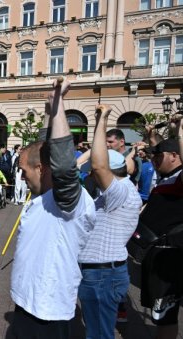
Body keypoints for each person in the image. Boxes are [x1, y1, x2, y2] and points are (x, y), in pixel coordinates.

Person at [10, 80, 95, 338]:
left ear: (41, 170)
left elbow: (62, 163)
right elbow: (43, 150)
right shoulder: (44, 195)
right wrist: (48, 111)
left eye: (23, 171)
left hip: (46, 313)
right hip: (27, 305)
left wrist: (59, 106)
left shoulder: (68, 201)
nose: (21, 176)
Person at [77, 104, 142, 339]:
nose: (92, 176)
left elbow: (98, 164)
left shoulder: (118, 192)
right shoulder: (122, 189)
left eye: (95, 174)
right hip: (103, 272)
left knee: (99, 334)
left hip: (102, 275)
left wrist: (102, 120)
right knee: (98, 331)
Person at [137, 117, 183, 339]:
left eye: (159, 156)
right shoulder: (166, 177)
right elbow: (161, 148)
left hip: (171, 259)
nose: (153, 158)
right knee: (160, 314)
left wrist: (180, 132)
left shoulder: (180, 178)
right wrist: (152, 134)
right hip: (157, 256)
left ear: (176, 157)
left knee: (165, 315)